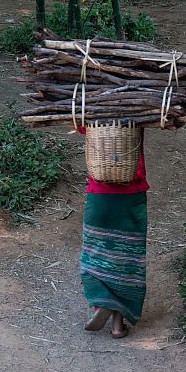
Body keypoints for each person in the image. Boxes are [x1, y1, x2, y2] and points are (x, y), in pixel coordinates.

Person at [79, 127, 148, 339]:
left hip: (99, 195)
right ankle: (118, 326)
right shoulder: (136, 114)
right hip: (131, 195)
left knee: (95, 253)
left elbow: (81, 126)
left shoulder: (93, 116)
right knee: (125, 257)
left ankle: (101, 304)